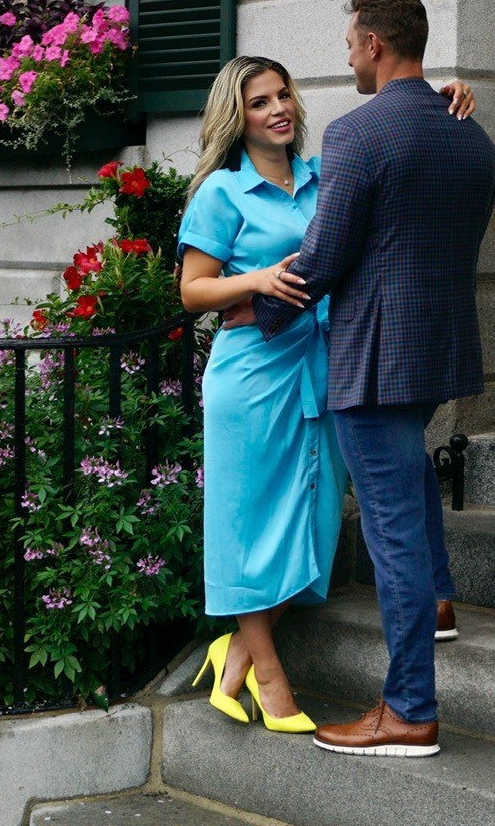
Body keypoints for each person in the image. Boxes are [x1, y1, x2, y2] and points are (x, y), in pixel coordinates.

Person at [177, 53, 474, 734]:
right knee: (250, 525)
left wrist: (447, 100)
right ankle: (268, 673)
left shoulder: (322, 177)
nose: (278, 108)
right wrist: (252, 281)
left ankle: (235, 653)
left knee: (305, 525)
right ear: (236, 116)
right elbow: (192, 291)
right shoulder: (222, 193)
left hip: (324, 365)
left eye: (284, 95)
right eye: (260, 102)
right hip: (252, 375)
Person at [252, 0, 495, 759]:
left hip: (374, 355)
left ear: (377, 46)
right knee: (411, 474)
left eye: (353, 43)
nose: (348, 55)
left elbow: (324, 257)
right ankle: (440, 599)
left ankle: (410, 710)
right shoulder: (472, 136)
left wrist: (258, 311)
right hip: (438, 349)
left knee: (389, 528)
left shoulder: (359, 132)